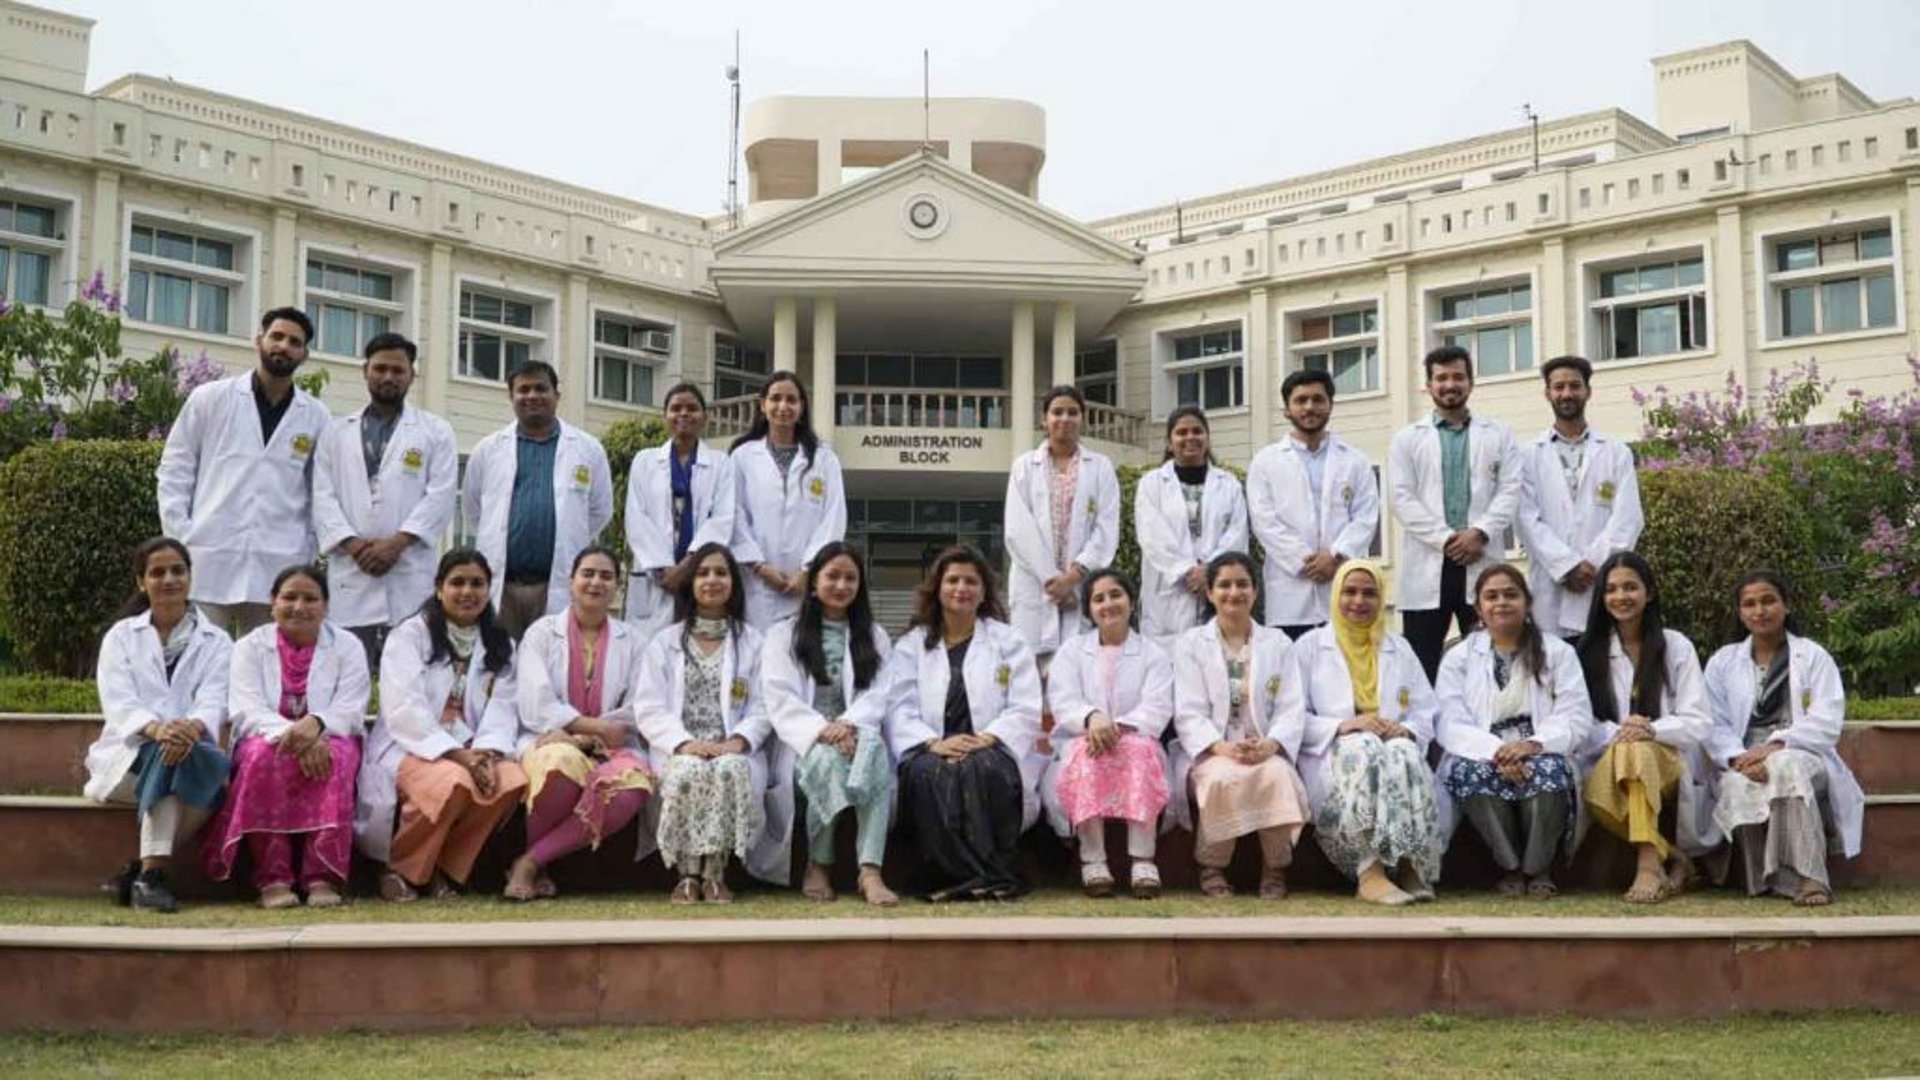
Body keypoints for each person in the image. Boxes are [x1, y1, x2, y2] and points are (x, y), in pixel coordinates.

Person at [356, 549, 527, 902]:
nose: (467, 592)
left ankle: (445, 868)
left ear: (489, 589)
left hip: (476, 747)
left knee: (511, 780)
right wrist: (456, 755)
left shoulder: (500, 643)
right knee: (453, 782)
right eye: (457, 582)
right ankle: (402, 869)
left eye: (477, 583)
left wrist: (484, 754)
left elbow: (504, 707)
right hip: (413, 745)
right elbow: (404, 707)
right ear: (438, 588)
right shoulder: (410, 635)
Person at [203, 565, 371, 909]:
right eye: (289, 597)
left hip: (332, 734)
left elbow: (352, 706)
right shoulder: (250, 646)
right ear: (272, 603)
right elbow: (245, 707)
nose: (299, 606)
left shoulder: (348, 646)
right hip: (267, 737)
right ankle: (273, 878)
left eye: (310, 598)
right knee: (260, 758)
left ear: (326, 605)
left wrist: (318, 723)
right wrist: (295, 735)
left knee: (336, 760)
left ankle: (321, 877)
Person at [884, 544, 1046, 901]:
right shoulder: (912, 645)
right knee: (929, 773)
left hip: (991, 745)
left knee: (982, 769)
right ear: (937, 588)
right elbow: (898, 707)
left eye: (971, 581)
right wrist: (933, 744)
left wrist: (986, 738)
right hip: (930, 746)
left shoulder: (1009, 642)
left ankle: (986, 876)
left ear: (984, 591)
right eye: (953, 580)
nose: (962, 588)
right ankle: (947, 878)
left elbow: (1025, 705)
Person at [157, 307, 331, 636]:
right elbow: (175, 469)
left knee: (268, 660)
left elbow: (321, 490)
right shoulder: (210, 399)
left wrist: (309, 549)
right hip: (209, 554)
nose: (283, 346)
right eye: (277, 336)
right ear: (259, 340)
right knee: (199, 655)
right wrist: (181, 536)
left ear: (304, 355)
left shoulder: (316, 416)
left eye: (294, 342)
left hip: (280, 561)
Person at [634, 543, 791, 903]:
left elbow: (764, 704)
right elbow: (649, 706)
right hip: (679, 747)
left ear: (734, 584)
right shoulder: (664, 643)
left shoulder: (753, 642)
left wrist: (738, 741)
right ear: (690, 583)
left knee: (730, 768)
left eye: (721, 573)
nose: (712, 580)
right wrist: (684, 743)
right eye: (703, 573)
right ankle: (688, 873)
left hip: (732, 746)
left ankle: (715, 873)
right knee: (688, 770)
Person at [88, 537, 234, 913]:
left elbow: (215, 698)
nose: (169, 579)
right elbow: (119, 701)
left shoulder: (217, 641)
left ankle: (141, 873)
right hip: (128, 760)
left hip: (191, 749)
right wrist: (158, 731)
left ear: (190, 577)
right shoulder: (122, 637)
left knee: (189, 762)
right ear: (141, 582)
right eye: (157, 572)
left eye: (177, 570)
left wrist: (190, 729)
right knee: (169, 757)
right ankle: (151, 875)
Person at [1701, 571, 1864, 906]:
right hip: (1744, 758)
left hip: (1803, 753)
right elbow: (1713, 723)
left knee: (1786, 767)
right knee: (1738, 784)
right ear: (1740, 612)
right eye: (1749, 604)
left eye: (1768, 601)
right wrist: (1738, 758)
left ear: (1786, 605)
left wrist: (1775, 747)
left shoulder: (1812, 656)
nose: (1759, 610)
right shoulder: (1723, 662)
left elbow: (1827, 721)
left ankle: (1811, 877)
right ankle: (1765, 881)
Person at [1434, 564, 1590, 899]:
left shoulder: (1558, 652)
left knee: (1549, 772)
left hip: (1540, 748)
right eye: (1491, 596)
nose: (1501, 603)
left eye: (1510, 595)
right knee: (1470, 774)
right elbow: (1449, 721)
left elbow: (1575, 715)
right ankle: (1510, 867)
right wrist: (1496, 752)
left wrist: (1533, 745)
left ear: (1527, 602)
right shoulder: (1459, 657)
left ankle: (1538, 868)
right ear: (1478, 608)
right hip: (1482, 750)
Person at [505, 546, 652, 901]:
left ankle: (531, 860)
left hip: (612, 746)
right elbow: (535, 701)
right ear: (570, 582)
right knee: (559, 763)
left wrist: (587, 735)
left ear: (617, 586)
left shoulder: (634, 641)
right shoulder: (541, 633)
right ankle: (539, 867)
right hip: (548, 737)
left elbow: (638, 706)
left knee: (634, 787)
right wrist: (591, 730)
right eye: (587, 574)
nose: (596, 582)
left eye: (606, 576)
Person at [1292, 560, 1441, 906]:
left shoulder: (1399, 648)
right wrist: (1342, 725)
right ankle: (1368, 872)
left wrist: (1405, 728)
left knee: (1403, 751)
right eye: (1350, 591)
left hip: (1389, 744)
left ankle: (1407, 863)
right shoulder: (1309, 647)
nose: (1359, 601)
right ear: (1335, 595)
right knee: (1365, 749)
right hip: (1334, 750)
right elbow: (1292, 714)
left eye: (1369, 593)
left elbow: (1426, 709)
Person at [311, 332, 458, 671]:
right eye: (380, 369)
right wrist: (353, 545)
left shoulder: (436, 431)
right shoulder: (335, 432)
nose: (388, 377)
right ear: (365, 371)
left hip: (408, 568)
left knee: (409, 668)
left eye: (398, 370)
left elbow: (441, 495)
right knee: (347, 669)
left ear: (412, 375)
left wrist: (397, 544)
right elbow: (322, 495)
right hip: (352, 569)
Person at [763, 543, 899, 906]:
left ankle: (870, 871)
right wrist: (823, 731)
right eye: (832, 576)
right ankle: (819, 863)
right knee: (828, 762)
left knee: (874, 751)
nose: (841, 585)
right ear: (813, 583)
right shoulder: (784, 635)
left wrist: (848, 725)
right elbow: (779, 695)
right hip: (805, 742)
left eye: (850, 578)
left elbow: (879, 693)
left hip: (857, 735)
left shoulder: (875, 635)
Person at [1574, 552, 1712, 903]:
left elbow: (1697, 719)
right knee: (1631, 751)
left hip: (1669, 760)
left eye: (1630, 587)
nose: (1621, 596)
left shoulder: (1676, 646)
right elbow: (1578, 721)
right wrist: (1622, 732)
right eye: (1612, 589)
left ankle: (1648, 864)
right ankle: (1674, 857)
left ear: (1649, 593)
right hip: (1606, 761)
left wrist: (1651, 731)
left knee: (1637, 752)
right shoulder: (1588, 652)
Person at [1171, 553, 1310, 900]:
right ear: (1209, 593)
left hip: (1264, 749)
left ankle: (1275, 868)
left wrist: (1270, 744)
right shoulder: (1191, 644)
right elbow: (1188, 712)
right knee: (1222, 778)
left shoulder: (1278, 643)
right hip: (1213, 750)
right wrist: (1222, 748)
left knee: (1276, 776)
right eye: (1224, 585)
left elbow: (1292, 707)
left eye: (1242, 584)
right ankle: (1212, 865)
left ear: (1255, 591)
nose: (1234, 593)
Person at [1388, 345, 1524, 682]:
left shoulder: (1499, 434)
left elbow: (1510, 489)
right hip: (1428, 561)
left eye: (1458, 377)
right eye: (1442, 378)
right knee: (1421, 666)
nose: (1450, 385)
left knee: (1489, 661)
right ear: (1429, 385)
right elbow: (1401, 497)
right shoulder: (1406, 439)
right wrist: (1447, 539)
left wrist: (1479, 533)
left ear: (1471, 382)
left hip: (1481, 556)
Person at [1041, 569, 1174, 899]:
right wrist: (1092, 718)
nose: (1108, 604)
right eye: (1098, 599)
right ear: (1089, 609)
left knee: (1139, 754)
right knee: (1087, 754)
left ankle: (1143, 859)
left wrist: (1119, 727)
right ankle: (1093, 859)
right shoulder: (1072, 652)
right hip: (1084, 737)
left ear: (1131, 601)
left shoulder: (1154, 654)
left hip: (1137, 736)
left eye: (1116, 595)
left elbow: (1158, 704)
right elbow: (1063, 700)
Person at [462, 360, 614, 638]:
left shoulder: (588, 449)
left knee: (554, 658)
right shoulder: (487, 449)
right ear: (511, 397)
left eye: (541, 388)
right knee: (498, 659)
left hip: (556, 584)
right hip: (502, 584)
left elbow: (600, 511)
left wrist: (566, 534)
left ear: (557, 395)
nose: (532, 396)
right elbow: (473, 510)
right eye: (523, 390)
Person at [1246, 370, 1381, 640]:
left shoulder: (1355, 461)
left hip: (1342, 584)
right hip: (1289, 592)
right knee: (1291, 663)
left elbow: (1366, 517)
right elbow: (1264, 523)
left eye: (1318, 399)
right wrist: (1304, 561)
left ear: (1330, 404)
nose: (1310, 407)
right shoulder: (1265, 462)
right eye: (1301, 400)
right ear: (1287, 409)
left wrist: (1336, 557)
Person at [1517, 355, 1643, 641]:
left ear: (1588, 391)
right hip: (1549, 588)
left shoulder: (1615, 452)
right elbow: (1525, 521)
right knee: (1554, 663)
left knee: (1603, 660)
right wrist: (1566, 566)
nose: (1567, 393)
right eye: (1558, 387)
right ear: (1547, 393)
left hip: (1600, 585)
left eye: (1575, 386)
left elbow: (1628, 518)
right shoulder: (1527, 456)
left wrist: (1593, 566)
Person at [1004, 386, 1120, 663]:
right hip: (1034, 585)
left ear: (1083, 419)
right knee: (1028, 668)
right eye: (1057, 412)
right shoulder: (1024, 467)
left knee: (1078, 666)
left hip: (1079, 585)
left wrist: (1071, 579)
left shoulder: (1101, 467)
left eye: (1072, 412)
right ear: (1044, 419)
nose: (1064, 418)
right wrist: (1052, 581)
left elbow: (1106, 528)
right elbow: (1018, 530)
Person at [729, 371, 847, 630]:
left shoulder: (824, 459)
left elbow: (833, 518)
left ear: (802, 407)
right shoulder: (742, 457)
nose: (783, 406)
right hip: (756, 582)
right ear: (763, 405)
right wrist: (759, 567)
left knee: (803, 648)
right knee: (757, 649)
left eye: (791, 400)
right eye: (775, 399)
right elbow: (734, 515)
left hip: (807, 583)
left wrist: (808, 571)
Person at [624, 382, 737, 637]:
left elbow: (722, 519)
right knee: (649, 648)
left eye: (692, 408)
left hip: (699, 572)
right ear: (665, 416)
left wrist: (687, 567)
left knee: (700, 643)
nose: (683, 413)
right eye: (676, 408)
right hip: (655, 576)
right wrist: (665, 570)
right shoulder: (644, 461)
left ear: (705, 418)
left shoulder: (722, 464)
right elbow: (636, 519)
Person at [1133, 406, 1249, 646]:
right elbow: (1153, 537)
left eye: (1197, 431)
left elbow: (1236, 535)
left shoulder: (1229, 485)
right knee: (1168, 661)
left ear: (1207, 438)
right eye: (1181, 432)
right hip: (1168, 594)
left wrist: (1210, 572)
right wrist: (1186, 571)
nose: (1190, 437)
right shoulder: (1151, 485)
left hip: (1216, 590)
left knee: (1216, 659)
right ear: (1169, 442)